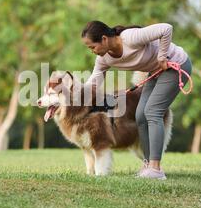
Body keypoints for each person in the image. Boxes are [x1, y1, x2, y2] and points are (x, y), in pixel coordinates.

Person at [82, 21, 192, 180]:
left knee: (152, 111)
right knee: (140, 115)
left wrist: (161, 56)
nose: (92, 51)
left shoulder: (130, 38)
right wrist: (76, 98)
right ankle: (148, 165)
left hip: (175, 65)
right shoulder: (104, 59)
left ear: (104, 39)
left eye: (92, 47)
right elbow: (93, 83)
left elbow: (166, 29)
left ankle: (156, 169)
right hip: (156, 71)